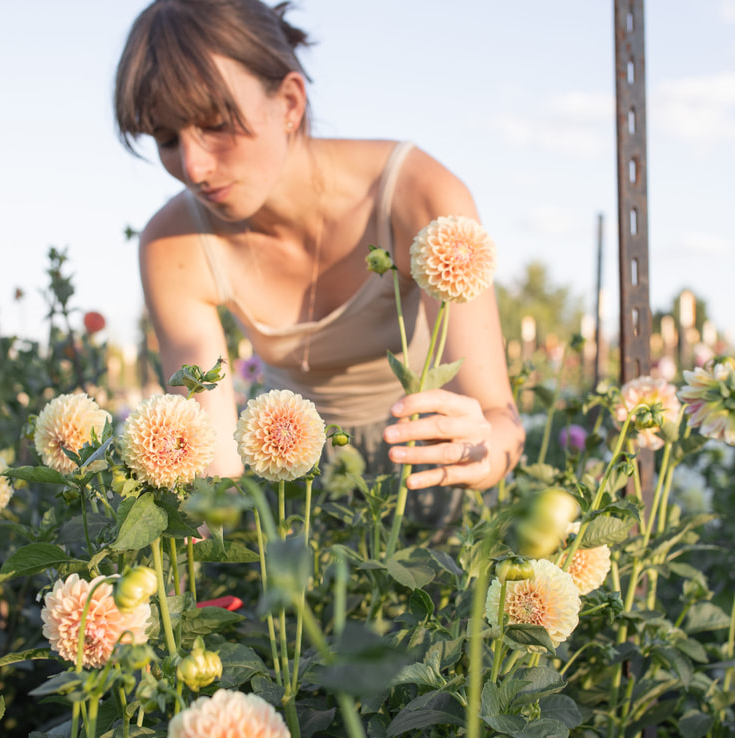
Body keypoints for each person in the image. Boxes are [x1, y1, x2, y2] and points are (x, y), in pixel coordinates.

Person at [114, 0, 524, 493]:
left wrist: (480, 455)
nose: (194, 168)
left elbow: (498, 417)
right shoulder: (173, 243)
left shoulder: (417, 194)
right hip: (290, 480)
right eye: (166, 139)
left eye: (215, 124)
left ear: (290, 102)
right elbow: (211, 466)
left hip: (425, 476)